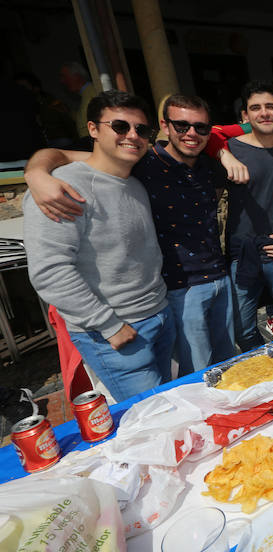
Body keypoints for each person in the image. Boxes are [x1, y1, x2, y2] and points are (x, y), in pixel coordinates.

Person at [24, 94, 238, 376]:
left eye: (201, 128)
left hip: (216, 279)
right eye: (182, 125)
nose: (191, 133)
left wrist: (224, 152)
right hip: (179, 288)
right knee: (198, 377)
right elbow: (60, 155)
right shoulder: (141, 162)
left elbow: (235, 130)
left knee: (229, 365)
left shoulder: (207, 166)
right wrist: (36, 172)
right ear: (165, 126)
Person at [23, 90, 175, 401]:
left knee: (171, 405)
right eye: (120, 127)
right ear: (93, 129)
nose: (132, 136)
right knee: (154, 417)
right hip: (116, 331)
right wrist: (108, 325)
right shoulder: (63, 187)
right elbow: (50, 271)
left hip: (158, 315)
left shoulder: (133, 182)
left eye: (141, 130)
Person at [226, 81, 273, 350]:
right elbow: (209, 134)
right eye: (255, 108)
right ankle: (267, 372)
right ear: (245, 116)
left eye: (270, 106)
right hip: (243, 251)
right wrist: (222, 154)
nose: (264, 113)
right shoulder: (230, 148)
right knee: (243, 330)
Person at [59, 61, 98, 143]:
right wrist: (68, 112)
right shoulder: (86, 94)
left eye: (64, 77)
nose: (62, 81)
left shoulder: (92, 93)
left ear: (76, 76)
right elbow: (84, 120)